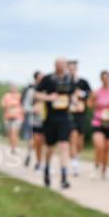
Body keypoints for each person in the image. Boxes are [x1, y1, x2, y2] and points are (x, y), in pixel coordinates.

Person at [35, 58, 76, 189]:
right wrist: (48, 97)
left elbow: (73, 94)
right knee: (49, 148)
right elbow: (36, 94)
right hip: (50, 118)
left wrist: (74, 100)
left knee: (64, 146)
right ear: (55, 65)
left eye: (63, 64)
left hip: (64, 118)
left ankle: (64, 177)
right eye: (58, 64)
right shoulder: (48, 79)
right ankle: (46, 169)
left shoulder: (70, 79)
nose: (61, 67)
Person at [89, 70, 109, 179]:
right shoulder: (96, 92)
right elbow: (89, 103)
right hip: (98, 121)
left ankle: (104, 170)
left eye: (107, 78)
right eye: (104, 78)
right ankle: (96, 165)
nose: (106, 80)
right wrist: (95, 103)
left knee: (107, 148)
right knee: (99, 145)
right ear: (101, 79)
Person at [67, 60, 92, 177]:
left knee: (80, 140)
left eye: (73, 68)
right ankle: (74, 164)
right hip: (69, 113)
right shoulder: (65, 82)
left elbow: (90, 94)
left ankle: (77, 156)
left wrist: (82, 94)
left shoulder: (83, 82)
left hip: (81, 114)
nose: (71, 70)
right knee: (73, 137)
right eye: (69, 68)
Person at [21, 72, 39, 167]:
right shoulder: (31, 91)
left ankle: (37, 159)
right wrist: (33, 109)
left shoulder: (46, 89)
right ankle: (31, 156)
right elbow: (25, 106)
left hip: (44, 119)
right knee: (32, 139)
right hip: (32, 118)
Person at [0, 83, 23, 154]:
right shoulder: (6, 95)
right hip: (8, 117)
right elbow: (2, 105)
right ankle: (12, 146)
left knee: (15, 133)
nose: (13, 89)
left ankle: (14, 148)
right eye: (12, 87)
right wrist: (10, 105)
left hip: (18, 117)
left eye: (14, 87)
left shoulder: (20, 96)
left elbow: (23, 105)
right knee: (9, 134)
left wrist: (15, 106)